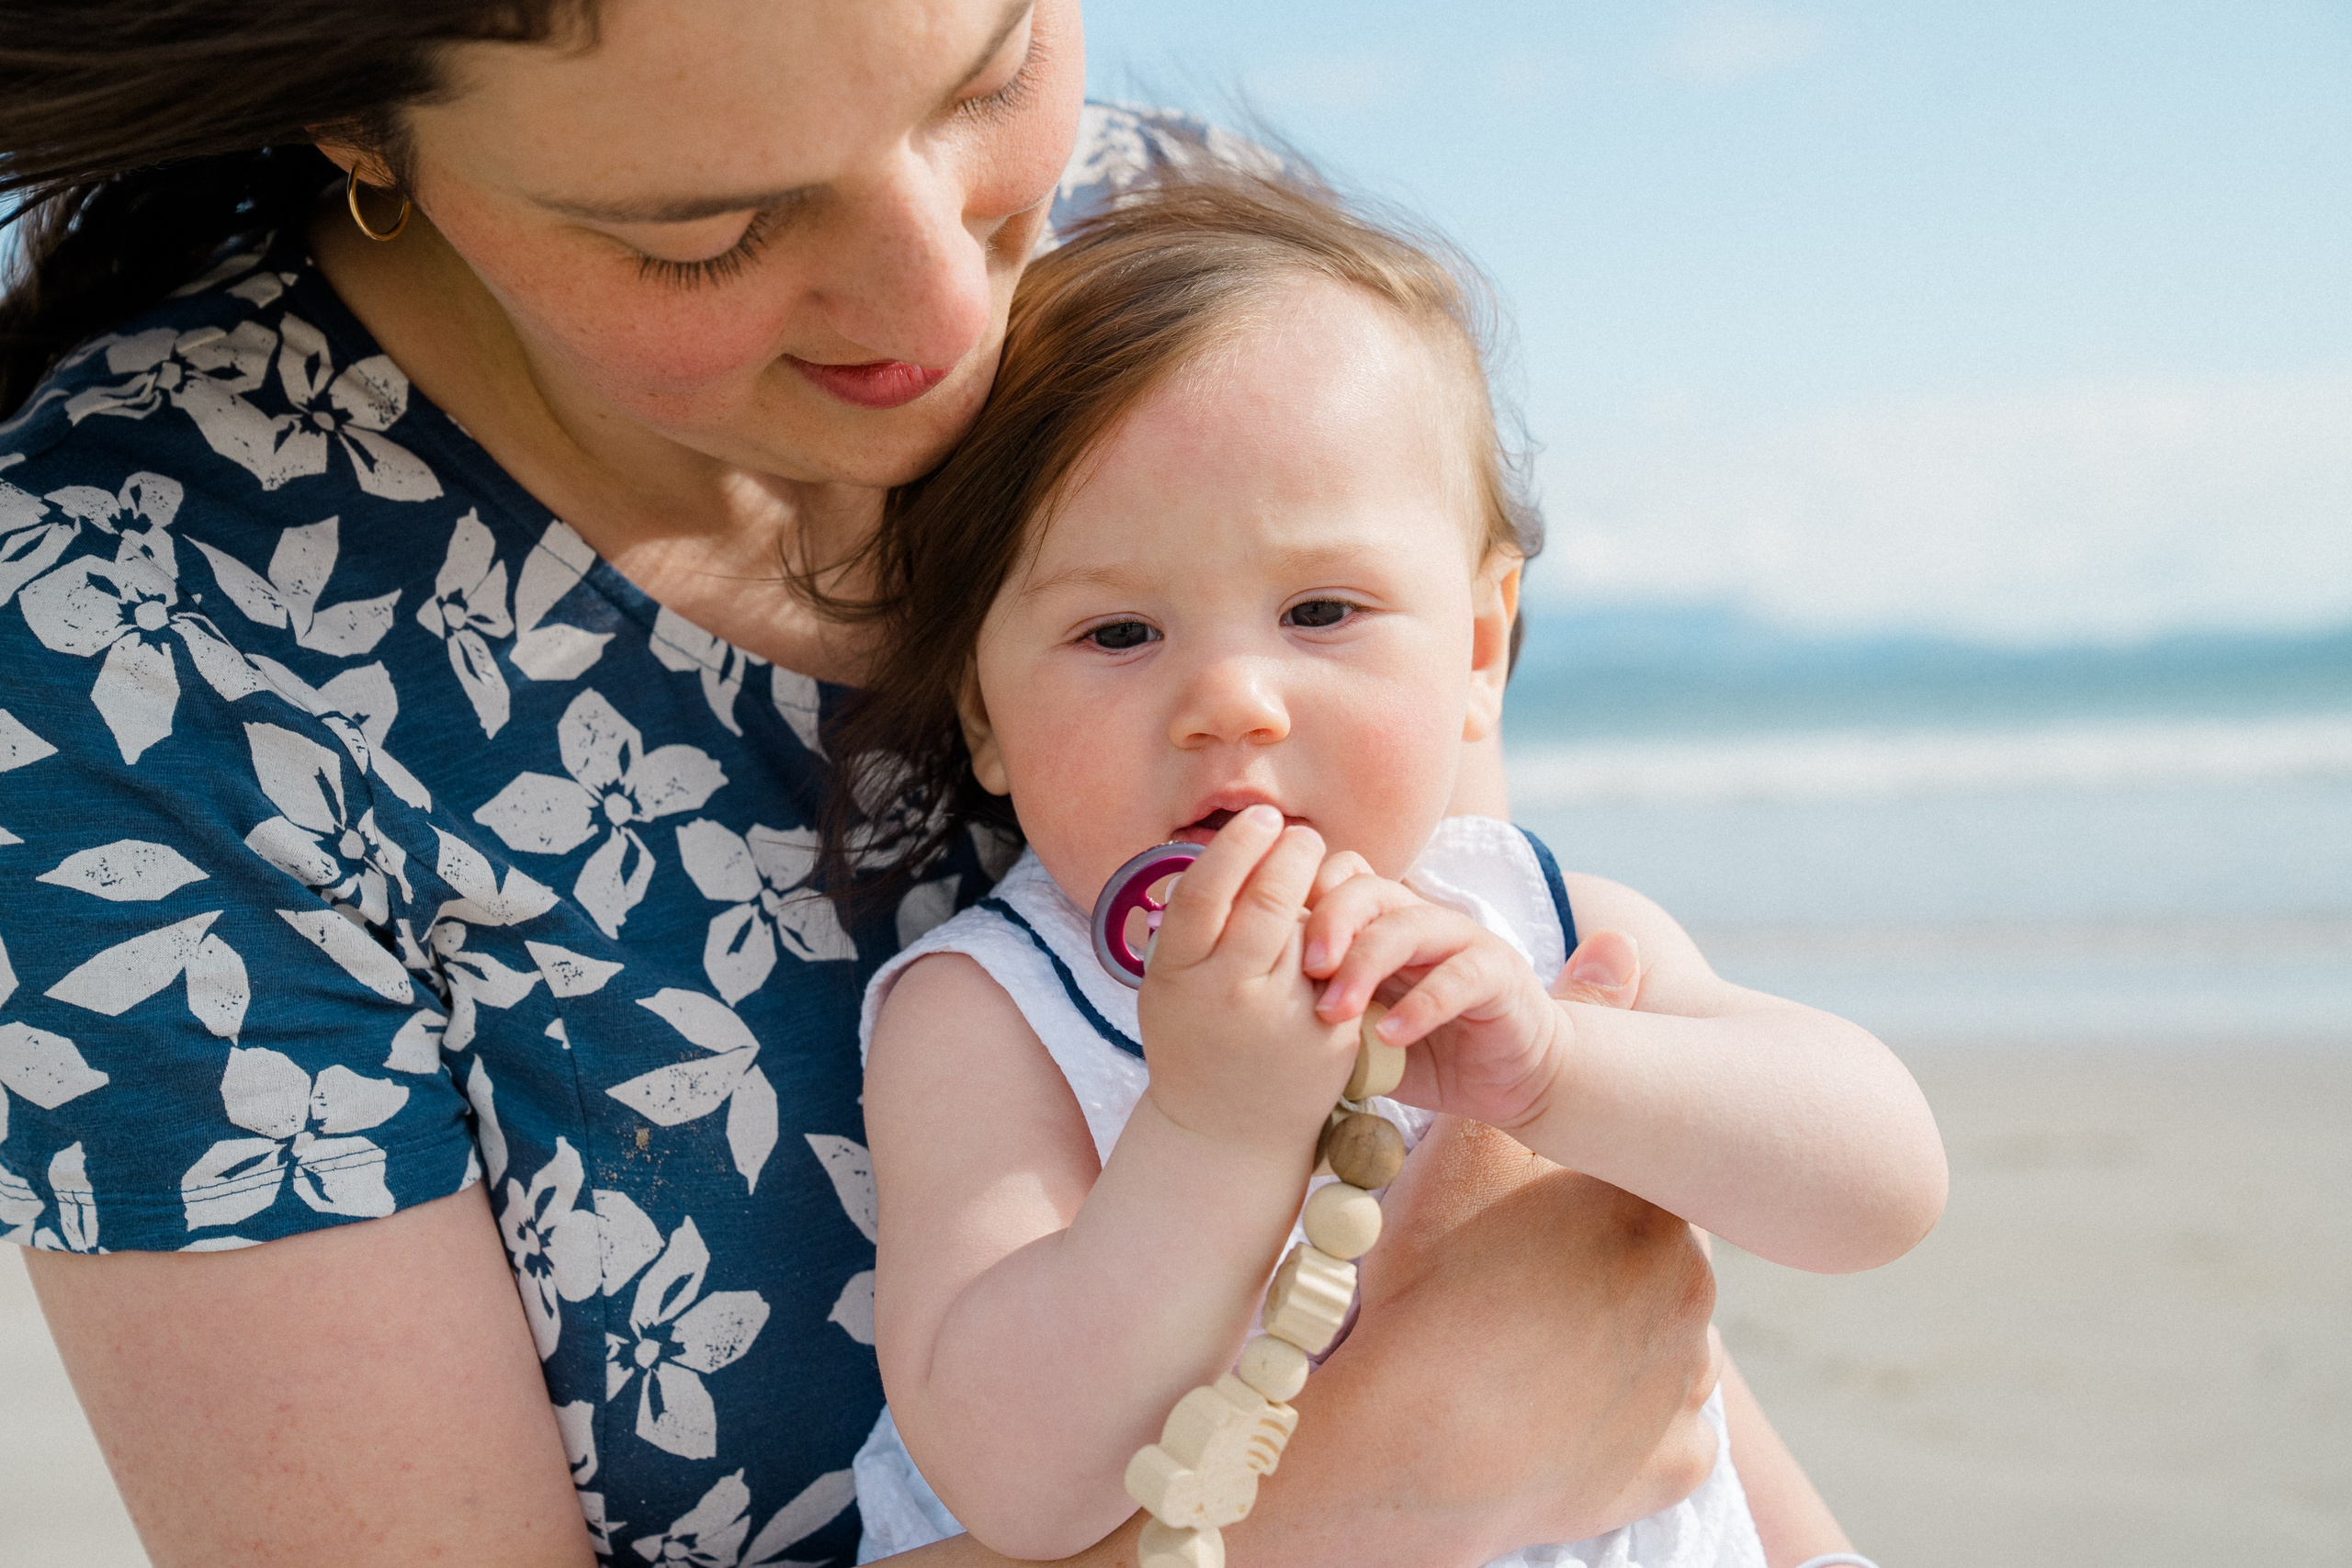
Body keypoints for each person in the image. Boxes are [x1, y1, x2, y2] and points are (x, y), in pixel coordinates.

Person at [0, 2, 1862, 1563]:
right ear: (363, 118)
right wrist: (1363, 1491)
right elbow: (1489, 1386)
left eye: (982, 75)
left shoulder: (1164, 270)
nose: (945, 308)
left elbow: (1576, 1245)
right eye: (700, 226)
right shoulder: (124, 639)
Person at [826, 175, 1948, 1565]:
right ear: (984, 714)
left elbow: (1881, 1187)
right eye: (1118, 633)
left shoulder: (1541, 930)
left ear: (1478, 650)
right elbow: (1017, 1479)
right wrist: (1213, 1136)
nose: (1232, 698)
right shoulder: (994, 1012)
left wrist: (1556, 1074)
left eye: (1321, 611)